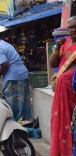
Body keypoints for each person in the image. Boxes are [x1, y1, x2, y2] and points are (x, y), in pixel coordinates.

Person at [0, 31, 32, 122]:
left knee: (12, 102)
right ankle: (25, 122)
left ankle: (14, 123)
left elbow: (5, 64)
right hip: (22, 74)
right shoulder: (5, 44)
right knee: (23, 101)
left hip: (13, 77)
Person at [50, 16, 76, 156]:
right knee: (62, 121)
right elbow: (53, 64)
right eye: (71, 27)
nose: (74, 30)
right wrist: (57, 48)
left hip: (72, 88)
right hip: (63, 87)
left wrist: (67, 77)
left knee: (72, 120)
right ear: (67, 29)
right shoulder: (64, 43)